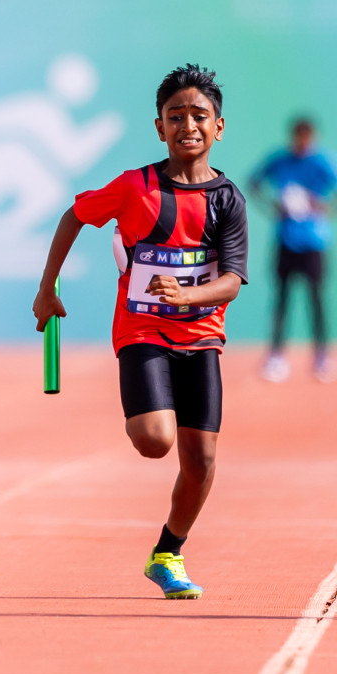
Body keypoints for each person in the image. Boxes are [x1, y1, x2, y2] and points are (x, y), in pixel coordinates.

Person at [32, 65, 248, 600]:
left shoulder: (227, 200)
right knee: (155, 442)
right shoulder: (135, 187)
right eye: (176, 117)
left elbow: (231, 283)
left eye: (200, 116)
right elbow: (73, 216)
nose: (188, 126)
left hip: (201, 338)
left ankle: (168, 552)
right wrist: (47, 287)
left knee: (202, 463)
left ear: (219, 127)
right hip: (143, 332)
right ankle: (146, 412)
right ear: (159, 127)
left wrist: (189, 295)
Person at [250, 118, 337, 383]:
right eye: (299, 137)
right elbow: (254, 183)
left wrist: (324, 207)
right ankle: (276, 356)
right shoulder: (280, 160)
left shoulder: (322, 162)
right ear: (293, 137)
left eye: (307, 138)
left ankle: (321, 356)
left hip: (313, 242)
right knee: (282, 300)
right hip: (286, 240)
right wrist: (272, 206)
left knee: (316, 301)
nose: (303, 143)